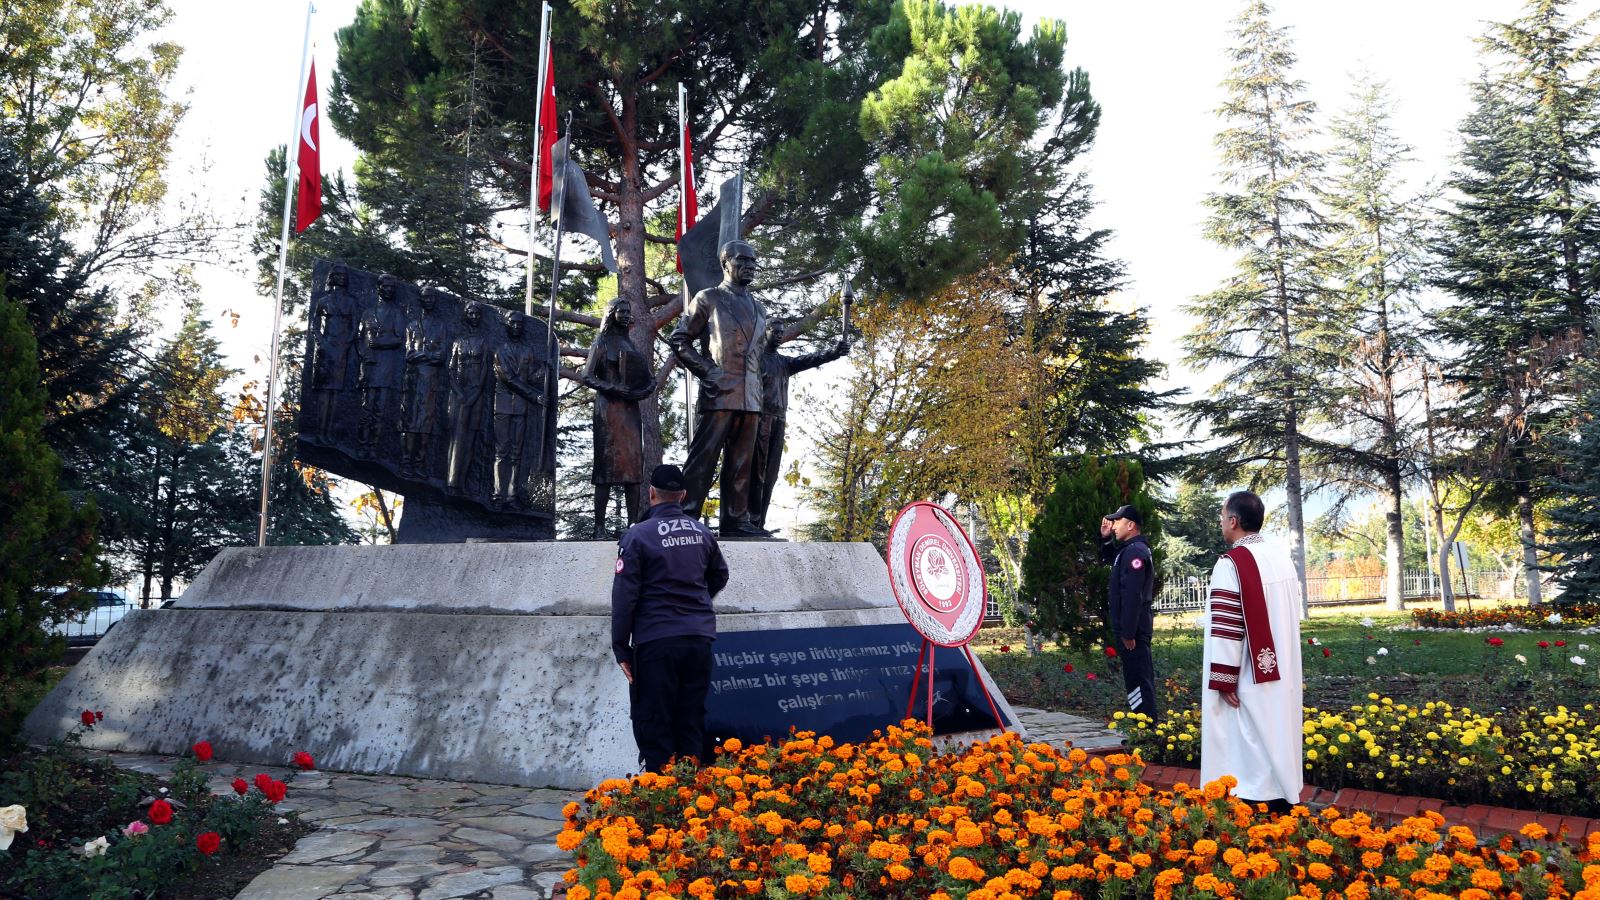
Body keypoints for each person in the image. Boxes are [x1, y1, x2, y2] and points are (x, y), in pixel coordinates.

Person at [611, 464, 730, 772]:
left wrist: (621, 647)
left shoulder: (638, 536)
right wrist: (697, 602)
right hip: (699, 639)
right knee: (691, 718)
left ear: (651, 493)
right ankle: (690, 795)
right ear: (683, 496)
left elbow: (625, 597)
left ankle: (661, 797)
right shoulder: (702, 532)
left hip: (657, 641)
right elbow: (720, 574)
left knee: (655, 720)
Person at [1199, 490, 1304, 814]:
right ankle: (1282, 794)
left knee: (1244, 736)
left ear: (1233, 521)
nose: (1220, 522)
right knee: (1276, 728)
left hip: (1247, 667)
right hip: (1281, 661)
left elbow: (1227, 626)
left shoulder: (1231, 564)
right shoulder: (1280, 557)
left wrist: (1224, 678)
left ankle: (1248, 800)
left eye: (1221, 516)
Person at [668, 240, 770, 537]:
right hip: (719, 390)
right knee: (703, 459)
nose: (750, 266)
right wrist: (709, 371)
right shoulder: (708, 298)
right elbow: (679, 339)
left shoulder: (759, 308)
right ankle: (685, 516)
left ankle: (736, 520)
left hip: (751, 395)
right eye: (743, 260)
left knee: (742, 463)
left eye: (754, 261)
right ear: (726, 263)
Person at [748, 319, 850, 531]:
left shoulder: (784, 362)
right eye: (775, 332)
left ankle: (761, 522)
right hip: (761, 419)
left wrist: (834, 352)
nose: (779, 336)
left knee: (771, 474)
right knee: (757, 471)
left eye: (781, 333)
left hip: (779, 419)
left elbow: (810, 359)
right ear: (765, 332)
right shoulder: (756, 360)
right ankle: (751, 521)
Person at [584, 298, 656, 536]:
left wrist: (646, 387)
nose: (625, 315)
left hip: (630, 411)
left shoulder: (630, 343)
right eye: (621, 311)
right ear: (611, 314)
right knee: (605, 469)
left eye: (628, 311)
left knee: (633, 469)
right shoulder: (601, 341)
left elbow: (645, 377)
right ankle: (599, 527)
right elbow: (587, 376)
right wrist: (613, 389)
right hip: (608, 410)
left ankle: (633, 525)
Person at [1105, 504, 1158, 721]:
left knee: (1139, 678)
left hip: (1134, 631)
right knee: (1134, 677)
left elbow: (1133, 595)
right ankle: (1141, 725)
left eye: (1117, 521)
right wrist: (1106, 539)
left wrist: (1128, 632)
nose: (1114, 525)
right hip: (1131, 629)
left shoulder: (1135, 552)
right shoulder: (1129, 550)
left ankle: (1147, 729)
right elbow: (1111, 561)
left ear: (1131, 524)